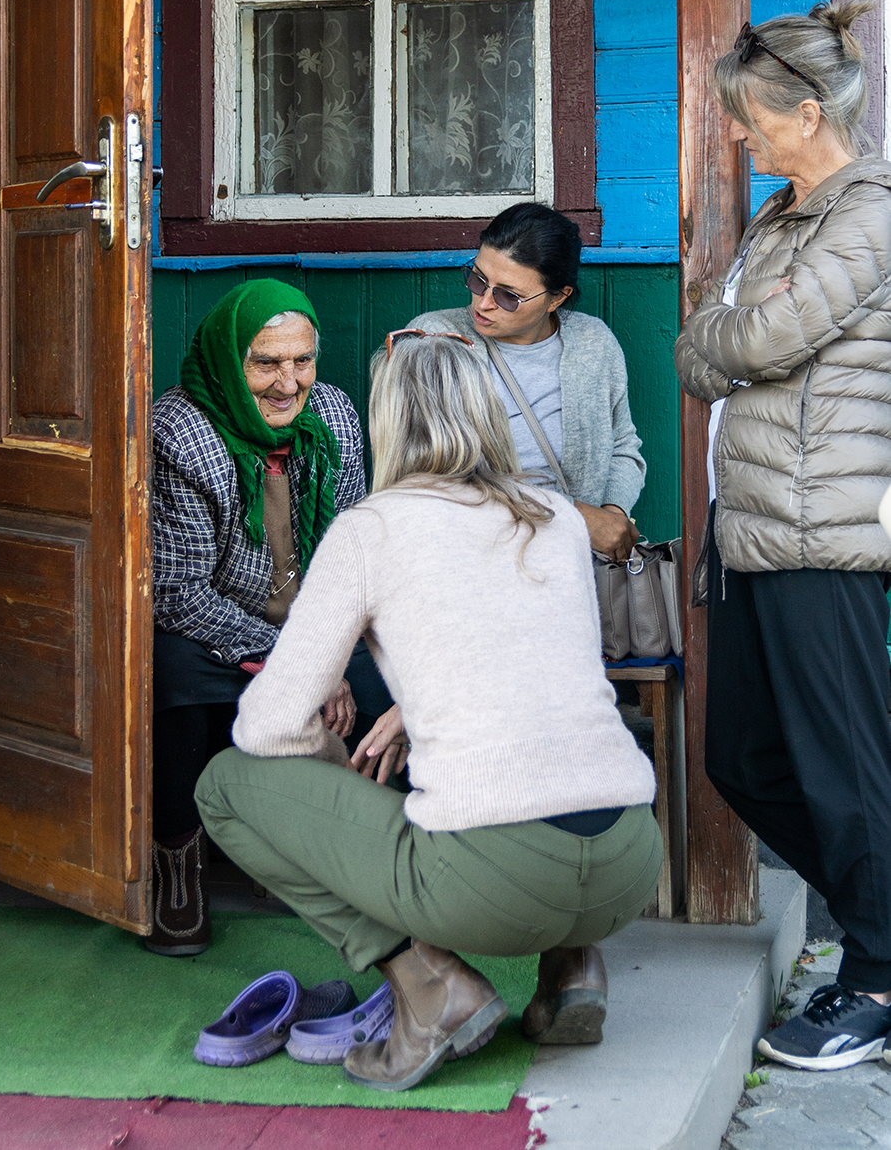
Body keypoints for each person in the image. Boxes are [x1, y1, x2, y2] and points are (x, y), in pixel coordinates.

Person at [195, 333, 661, 1091]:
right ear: (488, 414)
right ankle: (574, 970)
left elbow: (265, 725)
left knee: (224, 784)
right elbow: (540, 666)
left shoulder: (371, 530)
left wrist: (334, 765)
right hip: (628, 862)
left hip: (495, 882)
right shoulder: (557, 517)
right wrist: (418, 710)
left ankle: (428, 987)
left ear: (387, 421)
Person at [675, 0, 891, 1071]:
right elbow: (707, 352)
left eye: (752, 117)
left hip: (824, 526)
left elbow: (751, 337)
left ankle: (880, 966)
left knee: (843, 766)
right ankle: (885, 918)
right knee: (742, 759)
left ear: (807, 112)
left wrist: (720, 341)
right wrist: (721, 343)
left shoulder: (869, 213)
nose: (740, 135)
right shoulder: (781, 221)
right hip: (752, 524)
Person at [404, 200, 647, 1037]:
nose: (482, 303)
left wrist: (611, 509)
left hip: (567, 572)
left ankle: (566, 949)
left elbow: (624, 444)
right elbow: (423, 482)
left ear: (560, 298)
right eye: (478, 280)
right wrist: (576, 519)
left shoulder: (595, 350)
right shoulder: (430, 343)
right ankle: (565, 951)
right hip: (461, 568)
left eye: (509, 295)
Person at [149, 277, 378, 956]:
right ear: (229, 359)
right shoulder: (183, 432)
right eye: (266, 363)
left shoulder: (332, 417)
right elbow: (180, 593)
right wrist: (294, 661)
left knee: (386, 691)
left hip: (316, 621)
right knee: (174, 683)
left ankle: (299, 854)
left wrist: (326, 654)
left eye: (302, 360)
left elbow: (352, 553)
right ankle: (177, 870)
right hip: (217, 628)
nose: (288, 383)